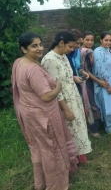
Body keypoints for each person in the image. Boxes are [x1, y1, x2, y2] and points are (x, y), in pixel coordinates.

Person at [12, 32, 78, 190]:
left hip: (30, 114)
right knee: (51, 150)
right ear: (23, 48)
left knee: (39, 149)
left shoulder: (19, 63)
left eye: (40, 44)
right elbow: (47, 96)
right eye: (34, 46)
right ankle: (55, 185)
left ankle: (41, 183)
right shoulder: (32, 69)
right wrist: (58, 87)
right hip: (43, 117)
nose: (40, 48)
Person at [42, 31, 92, 164]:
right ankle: (71, 159)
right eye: (70, 47)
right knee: (70, 129)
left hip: (73, 96)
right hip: (64, 101)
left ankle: (80, 155)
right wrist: (66, 109)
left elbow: (67, 77)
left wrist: (76, 78)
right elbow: (54, 88)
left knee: (78, 126)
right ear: (61, 43)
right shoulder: (49, 60)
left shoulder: (63, 56)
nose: (72, 50)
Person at [93, 31, 111, 134]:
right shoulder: (98, 51)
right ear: (101, 40)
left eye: (110, 40)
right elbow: (100, 69)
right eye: (106, 40)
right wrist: (107, 85)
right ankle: (108, 127)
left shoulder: (109, 51)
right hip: (104, 82)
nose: (108, 42)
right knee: (107, 104)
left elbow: (110, 66)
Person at [80, 31, 102, 138]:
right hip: (85, 81)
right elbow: (87, 71)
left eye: (92, 40)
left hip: (86, 80)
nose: (90, 42)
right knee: (91, 104)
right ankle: (94, 129)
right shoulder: (86, 52)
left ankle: (90, 127)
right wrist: (99, 81)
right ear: (82, 40)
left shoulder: (82, 51)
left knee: (88, 103)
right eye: (87, 40)